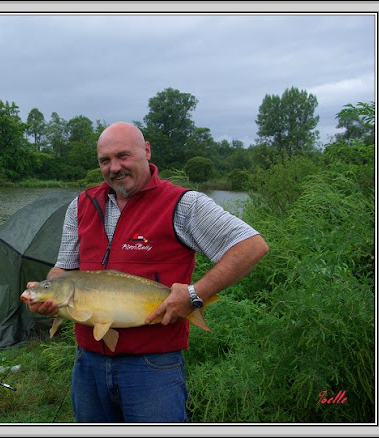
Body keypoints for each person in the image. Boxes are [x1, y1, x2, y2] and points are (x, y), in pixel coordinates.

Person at [25, 121, 269, 423]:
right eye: (105, 161)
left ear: (147, 151)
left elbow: (251, 246)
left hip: (152, 368)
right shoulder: (81, 204)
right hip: (87, 364)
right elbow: (64, 268)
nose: (114, 167)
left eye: (123, 156)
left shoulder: (183, 204)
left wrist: (195, 295)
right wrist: (49, 293)